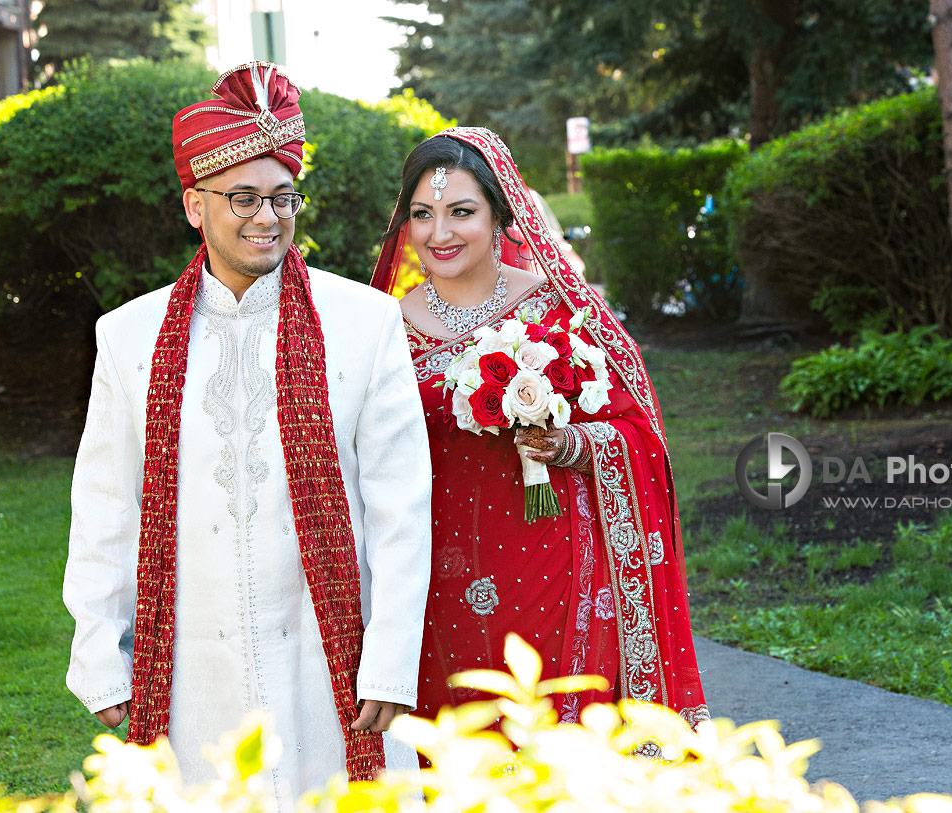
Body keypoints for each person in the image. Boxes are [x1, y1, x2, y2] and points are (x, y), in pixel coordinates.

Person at [62, 62, 431, 803]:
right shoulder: (129, 336)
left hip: (335, 669)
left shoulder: (364, 322)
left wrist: (389, 663)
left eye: (283, 196)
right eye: (243, 198)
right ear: (196, 206)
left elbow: (400, 508)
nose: (268, 217)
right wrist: (102, 654)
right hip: (190, 673)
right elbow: (107, 508)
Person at [370, 127, 708, 729]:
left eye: (461, 212)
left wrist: (570, 442)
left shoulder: (561, 311)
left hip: (553, 565)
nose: (438, 233)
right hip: (430, 577)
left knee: (552, 734)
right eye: (422, 214)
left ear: (501, 213)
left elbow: (639, 438)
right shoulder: (381, 328)